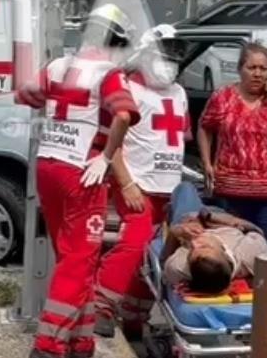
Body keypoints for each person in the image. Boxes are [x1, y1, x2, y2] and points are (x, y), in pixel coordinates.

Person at [18, 4, 140, 358]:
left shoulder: (58, 65)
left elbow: (27, 96)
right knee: (79, 260)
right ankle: (48, 345)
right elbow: (122, 115)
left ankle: (80, 341)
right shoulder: (109, 73)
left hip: (48, 166)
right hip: (82, 173)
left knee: (73, 256)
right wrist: (105, 156)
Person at [95, 24, 190, 340]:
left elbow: (177, 140)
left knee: (154, 255)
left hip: (167, 189)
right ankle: (101, 305)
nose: (171, 61)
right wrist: (126, 184)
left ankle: (134, 315)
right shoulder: (127, 90)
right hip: (137, 186)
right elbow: (112, 143)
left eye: (176, 54)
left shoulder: (179, 93)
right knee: (133, 244)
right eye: (166, 53)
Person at [198, 43, 267, 250]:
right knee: (230, 249)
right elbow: (204, 126)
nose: (257, 74)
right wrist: (207, 162)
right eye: (251, 68)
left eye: (263, 69)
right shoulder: (223, 97)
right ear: (240, 69)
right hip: (231, 194)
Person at [161, 182, 267, 294]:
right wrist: (219, 221)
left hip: (187, 220)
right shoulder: (250, 253)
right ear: (225, 252)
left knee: (186, 188)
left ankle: (173, 210)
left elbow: (164, 261)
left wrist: (177, 231)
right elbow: (255, 230)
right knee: (214, 197)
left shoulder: (179, 268)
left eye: (191, 251)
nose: (195, 243)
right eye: (205, 246)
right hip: (219, 217)